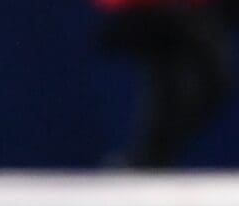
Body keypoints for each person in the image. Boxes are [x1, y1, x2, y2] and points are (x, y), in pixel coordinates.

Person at [94, 0, 239, 167]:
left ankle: (149, 157)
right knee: (169, 78)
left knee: (188, 82)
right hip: (146, 10)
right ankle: (147, 157)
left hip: (188, 12)